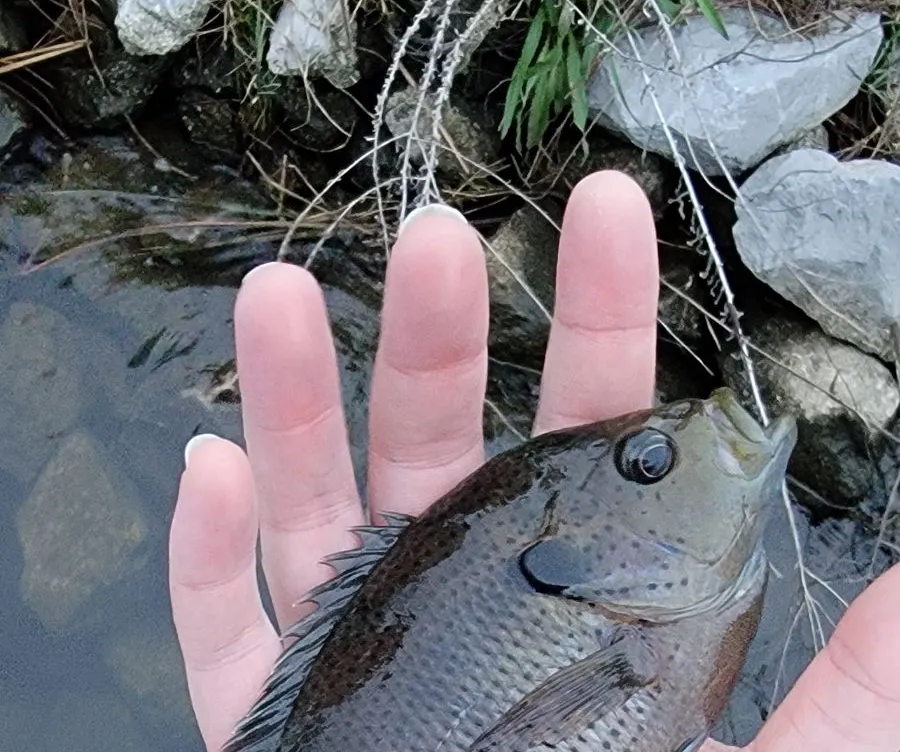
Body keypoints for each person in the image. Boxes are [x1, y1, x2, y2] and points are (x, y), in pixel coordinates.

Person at [168, 171, 900, 752]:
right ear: (561, 554)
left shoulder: (641, 631)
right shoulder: (640, 638)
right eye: (649, 461)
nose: (704, 421)